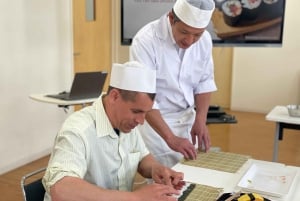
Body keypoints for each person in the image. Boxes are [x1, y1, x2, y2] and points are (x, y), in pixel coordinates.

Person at [42, 61, 185, 201]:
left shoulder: (126, 123)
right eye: (136, 111)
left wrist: (156, 169)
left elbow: (142, 157)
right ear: (114, 96)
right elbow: (61, 189)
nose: (141, 121)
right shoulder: (77, 130)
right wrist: (135, 197)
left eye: (145, 113)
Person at [130, 0, 217, 168]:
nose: (190, 40)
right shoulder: (146, 40)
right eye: (184, 32)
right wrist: (170, 138)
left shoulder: (205, 40)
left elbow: (204, 81)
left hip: (188, 120)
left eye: (197, 34)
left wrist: (200, 120)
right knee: (164, 184)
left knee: (193, 179)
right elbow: (144, 95)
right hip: (157, 125)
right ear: (171, 18)